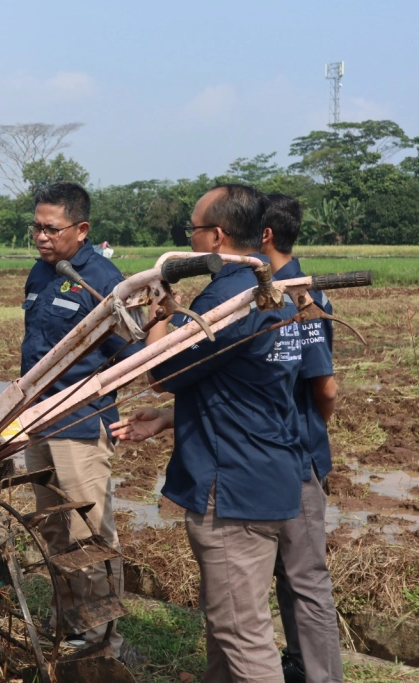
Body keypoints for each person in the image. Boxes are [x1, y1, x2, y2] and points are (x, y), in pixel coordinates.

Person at [111, 184, 304, 683]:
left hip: (232, 490)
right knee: (228, 624)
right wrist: (175, 417)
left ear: (216, 236)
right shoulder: (276, 292)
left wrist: (161, 317)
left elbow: (164, 372)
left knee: (243, 633)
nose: (188, 238)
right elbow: (252, 388)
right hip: (267, 474)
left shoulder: (228, 299)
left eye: (192, 229)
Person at [21, 182, 140, 653]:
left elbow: (128, 356)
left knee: (87, 530)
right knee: (51, 526)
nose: (41, 237)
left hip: (79, 423)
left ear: (82, 229)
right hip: (35, 421)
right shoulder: (40, 274)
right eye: (36, 227)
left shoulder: (104, 280)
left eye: (51, 228)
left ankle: (103, 635)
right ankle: (67, 622)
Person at [261, 194, 342, 683]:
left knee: (305, 578)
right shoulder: (257, 294)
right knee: (286, 575)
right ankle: (296, 664)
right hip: (268, 455)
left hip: (296, 455)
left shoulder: (304, 297)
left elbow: (325, 388)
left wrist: (308, 436)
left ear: (264, 237)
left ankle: (320, 676)